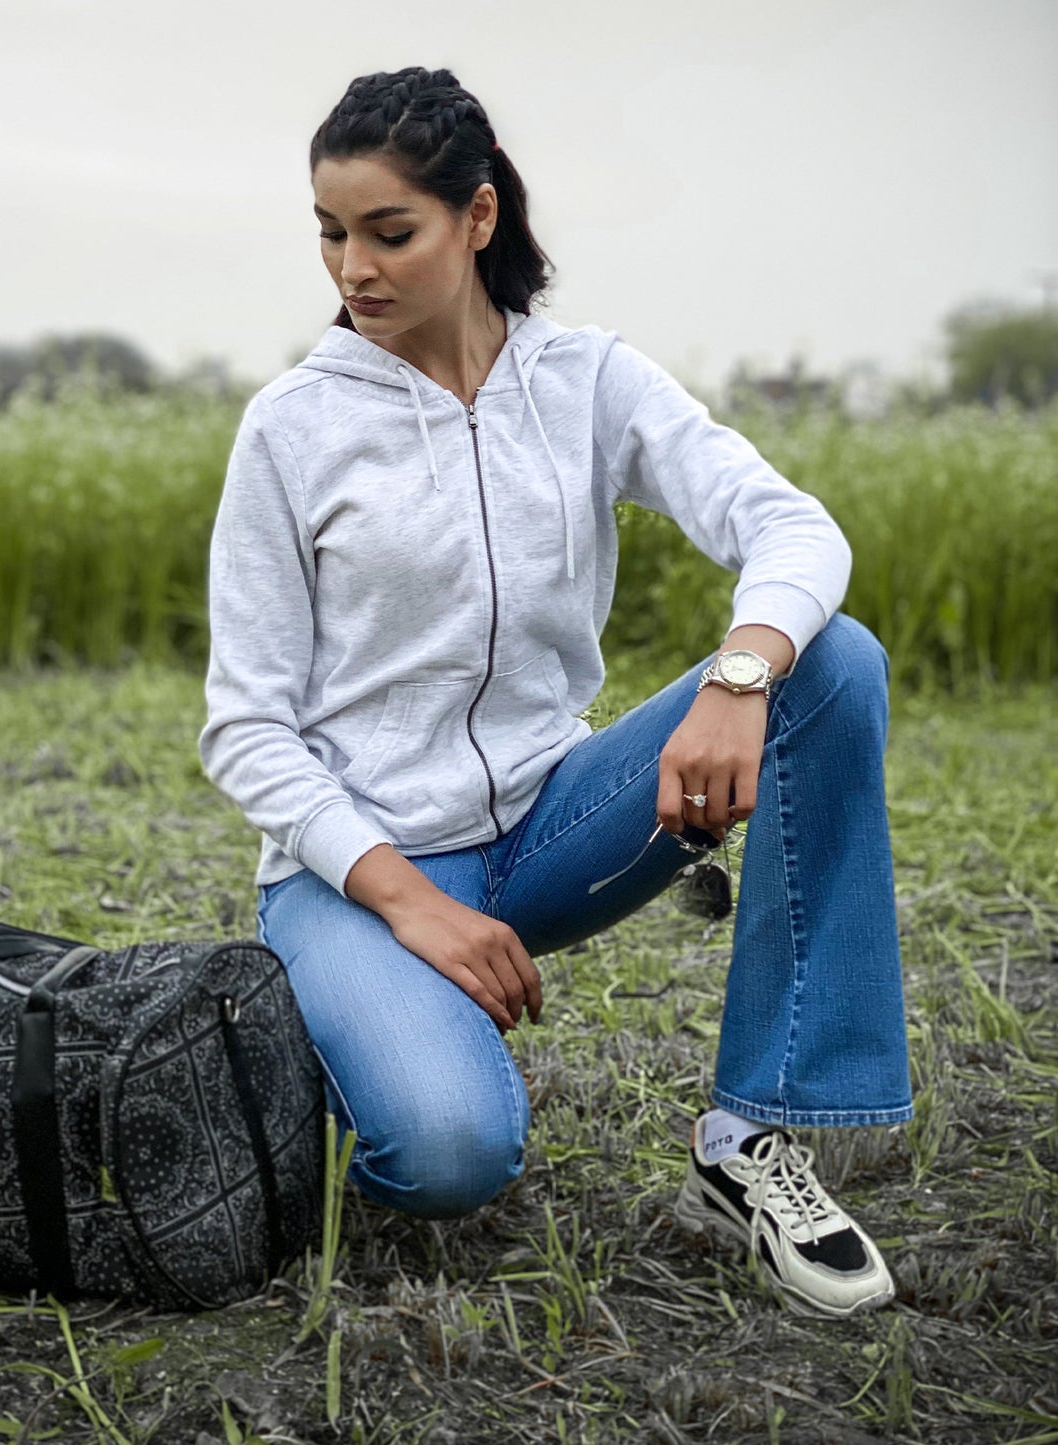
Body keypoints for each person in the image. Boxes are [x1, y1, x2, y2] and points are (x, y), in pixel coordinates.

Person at [197, 65, 912, 1318]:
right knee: (448, 1155)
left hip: (549, 826)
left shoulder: (586, 381)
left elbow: (789, 526)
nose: (350, 268)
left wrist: (739, 676)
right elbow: (245, 726)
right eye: (328, 232)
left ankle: (749, 1141)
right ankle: (317, 1033)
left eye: (387, 231)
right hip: (358, 868)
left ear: (477, 219)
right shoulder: (292, 428)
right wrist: (411, 903)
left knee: (830, 659)